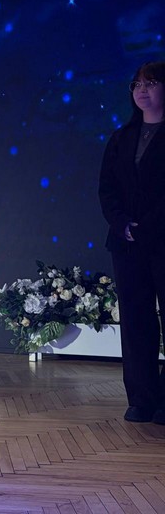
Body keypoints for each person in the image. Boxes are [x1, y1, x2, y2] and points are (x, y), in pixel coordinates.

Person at [99, 61, 165, 424]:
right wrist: (122, 223)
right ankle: (142, 398)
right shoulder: (121, 138)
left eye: (151, 83)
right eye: (137, 84)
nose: (142, 90)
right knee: (136, 320)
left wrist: (148, 226)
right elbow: (107, 188)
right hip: (126, 242)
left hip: (161, 239)